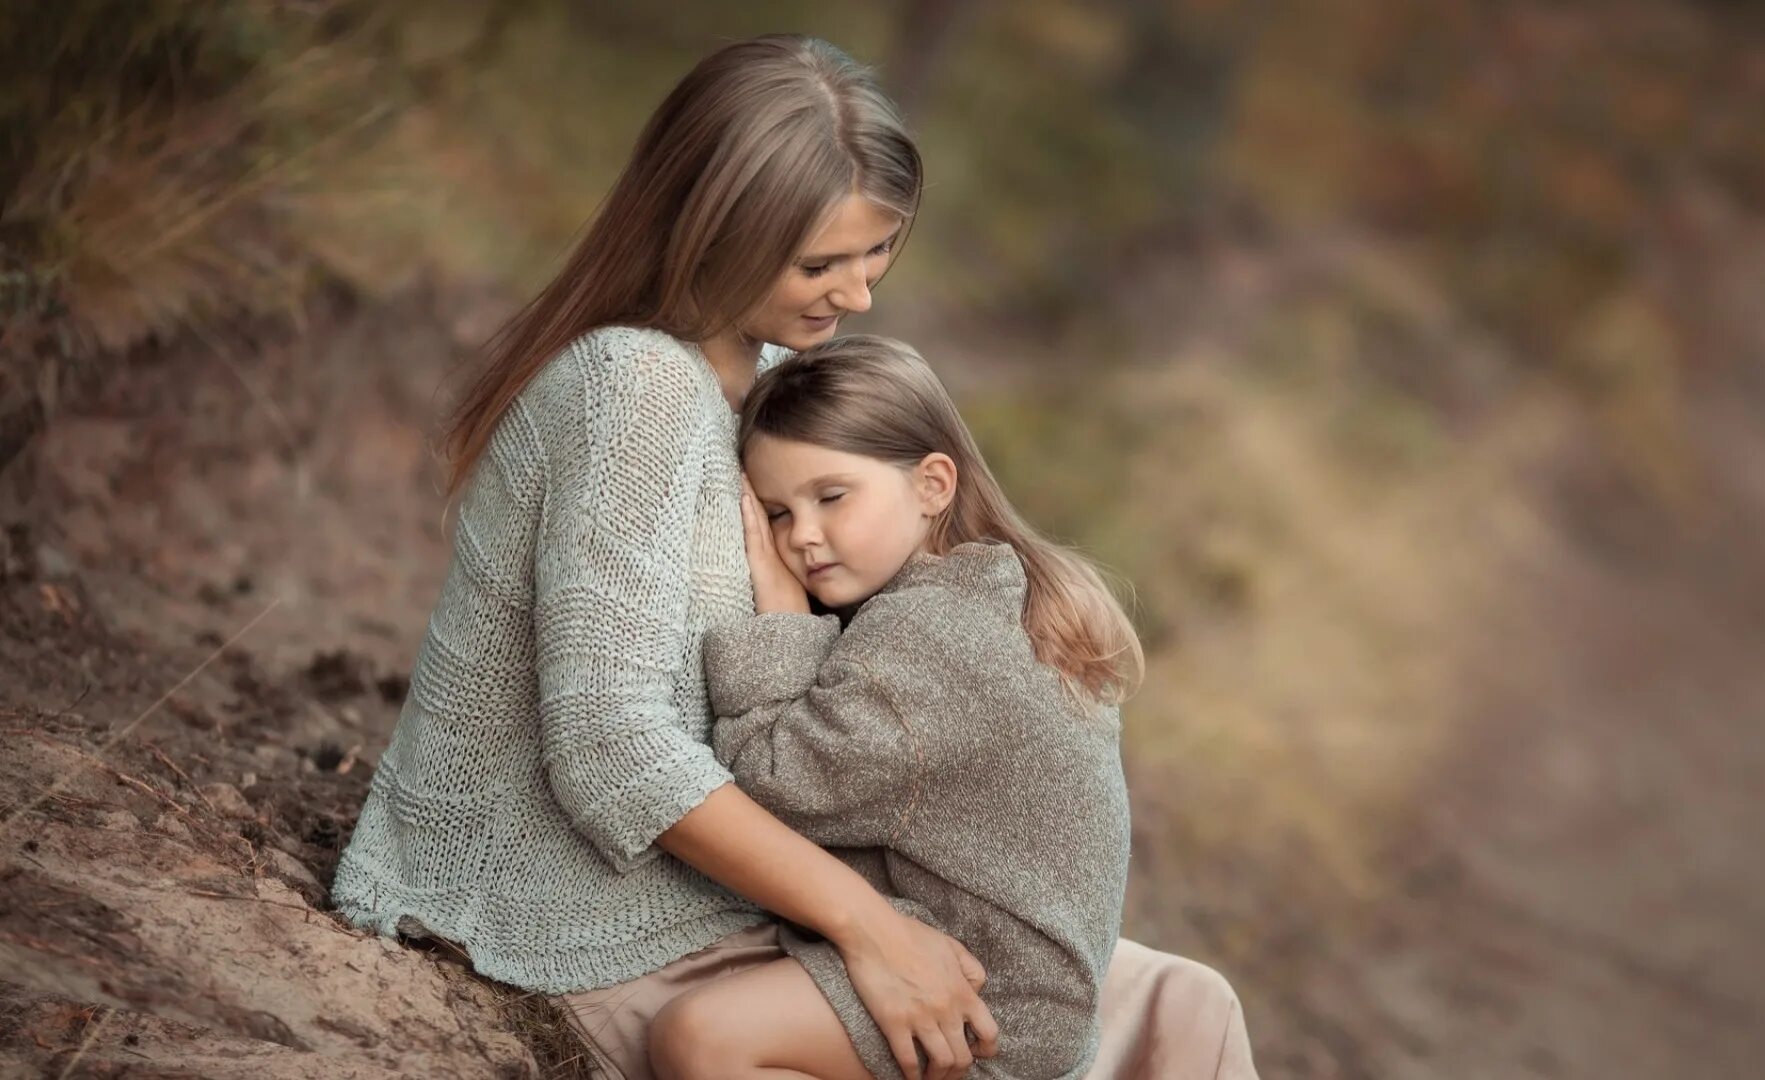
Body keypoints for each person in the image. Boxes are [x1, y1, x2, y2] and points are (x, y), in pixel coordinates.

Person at [328, 33, 1258, 1080]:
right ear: (714, 231)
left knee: (1183, 1004)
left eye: (877, 255)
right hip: (595, 910)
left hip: (771, 882)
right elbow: (609, 748)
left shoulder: (777, 385)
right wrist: (872, 927)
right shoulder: (631, 388)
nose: (858, 296)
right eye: (822, 265)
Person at [644, 336, 1136, 1079]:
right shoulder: (992, 594)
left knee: (703, 1039)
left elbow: (777, 788)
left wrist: (780, 622)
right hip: (1030, 1000)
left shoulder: (929, 635)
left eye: (830, 497)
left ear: (933, 483)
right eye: (776, 513)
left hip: (987, 1006)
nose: (801, 535)